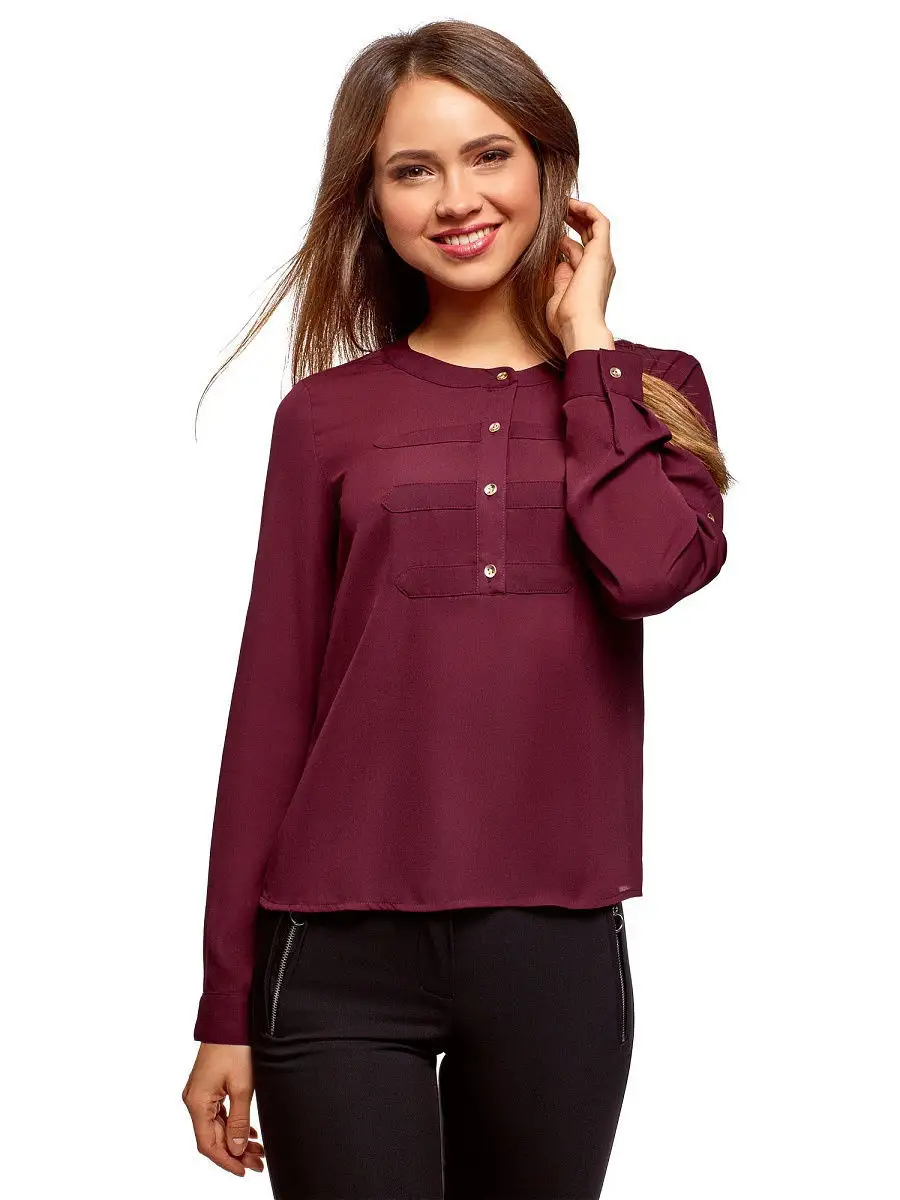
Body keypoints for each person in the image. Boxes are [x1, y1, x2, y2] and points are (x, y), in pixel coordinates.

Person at [181, 18, 732, 1199]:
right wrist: (225, 1002)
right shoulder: (325, 419)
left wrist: (587, 347)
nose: (456, 199)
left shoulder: (650, 390)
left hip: (555, 946)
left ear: (549, 168)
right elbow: (272, 705)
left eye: (490, 155)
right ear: (371, 200)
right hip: (332, 950)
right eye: (412, 169)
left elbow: (651, 571)